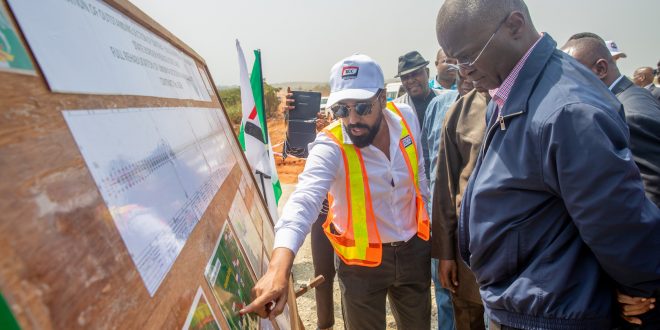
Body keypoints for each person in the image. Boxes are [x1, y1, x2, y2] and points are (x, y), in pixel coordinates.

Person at [436, 0, 660, 329]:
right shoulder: (515, 90)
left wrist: (636, 292)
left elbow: (618, 225)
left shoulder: (566, 108)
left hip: (554, 313)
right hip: (529, 306)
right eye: (456, 61)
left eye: (468, 56)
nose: (464, 71)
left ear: (514, 25)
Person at [242, 54, 433, 329]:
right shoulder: (330, 145)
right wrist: (277, 268)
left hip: (413, 251)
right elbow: (304, 200)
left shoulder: (407, 118)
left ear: (382, 99)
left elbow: (420, 175)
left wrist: (428, 222)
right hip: (360, 268)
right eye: (343, 109)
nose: (352, 119)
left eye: (362, 108)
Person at [394, 50, 459, 329]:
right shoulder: (395, 112)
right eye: (406, 77)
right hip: (411, 207)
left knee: (446, 278)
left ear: (426, 73)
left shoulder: (446, 104)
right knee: (418, 280)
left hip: (443, 200)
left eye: (416, 74)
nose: (412, 81)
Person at [562, 34, 660, 208]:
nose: (566, 84)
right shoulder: (633, 94)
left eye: (572, 74)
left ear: (600, 69)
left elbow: (653, 195)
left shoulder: (628, 116)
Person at [433, 71, 490, 330]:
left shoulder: (537, 101)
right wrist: (445, 255)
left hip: (525, 263)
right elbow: (445, 190)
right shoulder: (460, 112)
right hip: (469, 257)